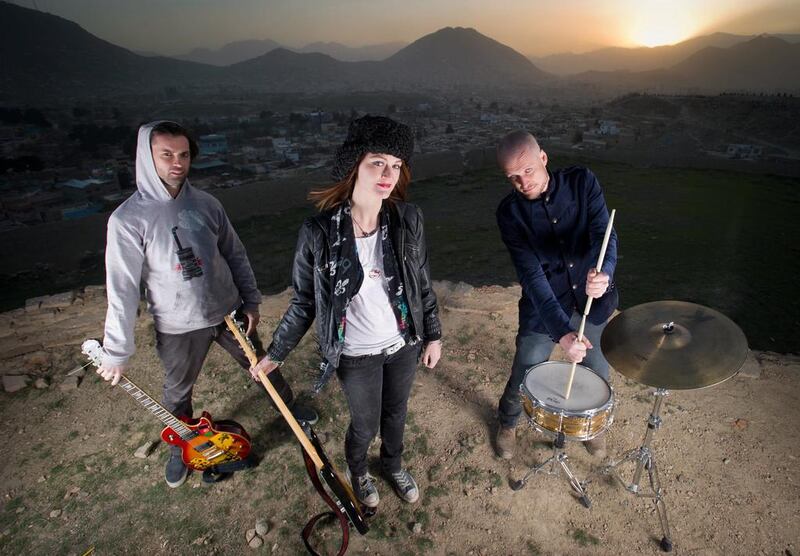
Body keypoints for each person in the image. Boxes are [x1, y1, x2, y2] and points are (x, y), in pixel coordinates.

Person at [97, 120, 317, 488]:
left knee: (261, 365)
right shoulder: (127, 220)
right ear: (146, 158)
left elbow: (235, 253)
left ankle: (288, 408)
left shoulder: (206, 204)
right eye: (166, 154)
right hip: (178, 325)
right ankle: (180, 448)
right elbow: (121, 287)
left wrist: (251, 300)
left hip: (228, 312)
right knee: (177, 392)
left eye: (183, 154)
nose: (177, 162)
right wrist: (116, 351)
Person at [251, 115, 442, 508]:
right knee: (365, 422)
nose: (388, 173)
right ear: (355, 164)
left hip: (403, 343)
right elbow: (304, 301)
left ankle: (392, 463)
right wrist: (276, 353)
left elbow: (421, 281)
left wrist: (434, 333)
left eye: (396, 165)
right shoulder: (319, 232)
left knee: (395, 415)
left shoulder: (407, 219)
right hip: (355, 354)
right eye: (378, 162)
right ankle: (359, 470)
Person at [494, 130, 618, 460]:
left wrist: (603, 273)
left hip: (592, 300)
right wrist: (562, 334)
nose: (523, 182)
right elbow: (533, 279)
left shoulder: (582, 182)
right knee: (526, 369)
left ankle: (592, 425)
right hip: (544, 307)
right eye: (513, 177)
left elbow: (605, 234)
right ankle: (508, 421)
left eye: (528, 170)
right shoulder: (509, 214)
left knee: (597, 371)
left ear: (544, 158)